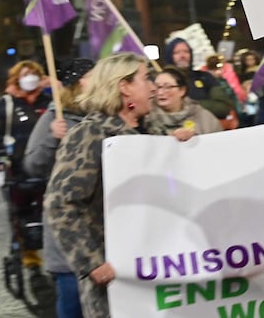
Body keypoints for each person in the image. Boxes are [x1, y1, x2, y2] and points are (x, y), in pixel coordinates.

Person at [44, 53, 173, 317]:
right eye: (146, 79)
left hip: (161, 270)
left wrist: (181, 148)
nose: (153, 87)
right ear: (124, 86)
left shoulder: (153, 130)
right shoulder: (90, 133)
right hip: (116, 282)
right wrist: (91, 262)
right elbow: (59, 203)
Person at [24, 58, 95, 318]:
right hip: (67, 237)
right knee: (72, 303)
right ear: (77, 84)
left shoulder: (103, 117)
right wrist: (53, 138)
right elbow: (32, 165)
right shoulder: (56, 117)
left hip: (98, 229)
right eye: (92, 76)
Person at [0, 59, 52, 273]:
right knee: (21, 213)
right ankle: (30, 257)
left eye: (34, 73)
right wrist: (1, 157)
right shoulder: (7, 103)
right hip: (17, 169)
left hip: (45, 167)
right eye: (25, 74)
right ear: (17, 78)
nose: (30, 77)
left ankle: (53, 251)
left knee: (48, 211)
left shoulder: (49, 101)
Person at [163, 38, 233, 120]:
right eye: (177, 52)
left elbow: (223, 107)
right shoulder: (161, 81)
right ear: (170, 56)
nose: (182, 56)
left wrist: (189, 105)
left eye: (186, 52)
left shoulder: (205, 77)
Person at [148, 66, 223, 135]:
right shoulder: (147, 118)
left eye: (167, 87)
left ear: (182, 90)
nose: (160, 92)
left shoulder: (203, 117)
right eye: (157, 87)